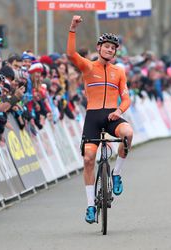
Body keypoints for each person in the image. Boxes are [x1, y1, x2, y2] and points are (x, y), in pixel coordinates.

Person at [66, 15, 133, 224]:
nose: (110, 50)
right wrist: (73, 28)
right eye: (106, 46)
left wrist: (119, 111)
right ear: (99, 48)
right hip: (93, 116)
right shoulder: (88, 67)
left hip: (113, 115)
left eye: (113, 48)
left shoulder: (119, 71)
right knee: (88, 159)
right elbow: (70, 54)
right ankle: (90, 206)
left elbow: (127, 98)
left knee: (128, 134)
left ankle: (116, 174)